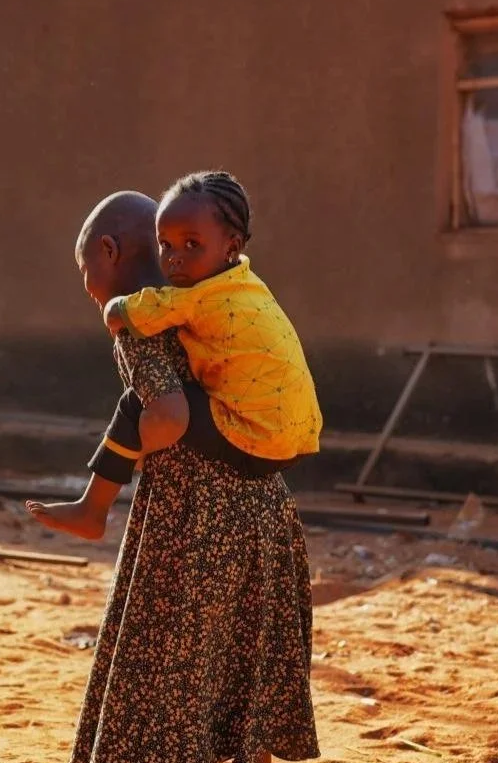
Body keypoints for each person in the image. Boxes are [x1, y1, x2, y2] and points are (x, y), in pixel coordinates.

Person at [56, 190, 319, 763]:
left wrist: (135, 459)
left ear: (109, 255)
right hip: (264, 505)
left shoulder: (142, 324)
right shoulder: (219, 301)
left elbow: (163, 410)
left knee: (181, 662)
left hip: (195, 516)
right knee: (246, 658)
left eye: (84, 267)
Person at [26, 171, 322, 540]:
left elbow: (170, 412)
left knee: (136, 406)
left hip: (219, 487)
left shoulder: (176, 308)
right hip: (287, 452)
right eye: (166, 246)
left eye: (191, 245)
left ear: (109, 250)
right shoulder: (246, 286)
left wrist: (139, 448)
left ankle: (93, 508)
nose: (175, 259)